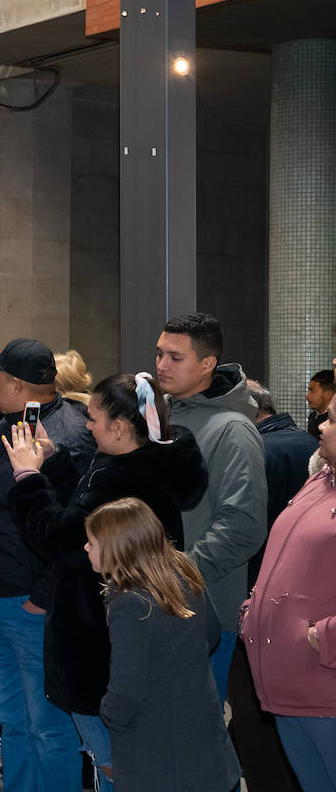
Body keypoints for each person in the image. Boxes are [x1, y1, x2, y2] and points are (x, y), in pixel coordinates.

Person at [4, 372, 208, 790]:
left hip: (101, 643)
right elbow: (80, 510)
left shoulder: (125, 481)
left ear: (119, 427)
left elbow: (61, 540)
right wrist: (56, 463)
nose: (86, 425)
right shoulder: (141, 462)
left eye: (94, 418)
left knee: (115, 765)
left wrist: (27, 478)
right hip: (115, 637)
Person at [0, 337, 94, 792]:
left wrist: (44, 596)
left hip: (33, 603)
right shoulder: (1, 429)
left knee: (48, 724)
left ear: (17, 385)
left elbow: (75, 529)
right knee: (12, 721)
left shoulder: (70, 436)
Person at [87, 498, 241, 792]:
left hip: (159, 760)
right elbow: (211, 634)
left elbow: (127, 690)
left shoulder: (131, 604)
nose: (86, 548)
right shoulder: (184, 574)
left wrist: (109, 713)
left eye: (92, 542)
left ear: (118, 549)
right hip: (206, 748)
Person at [155, 311, 267, 702]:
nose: (162, 365)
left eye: (175, 357)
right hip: (157, 598)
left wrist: (179, 577)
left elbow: (243, 525)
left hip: (203, 610)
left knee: (191, 740)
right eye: (159, 354)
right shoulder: (162, 414)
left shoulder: (232, 430)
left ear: (207, 364)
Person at [240, 392, 336, 792]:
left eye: (330, 419)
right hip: (288, 687)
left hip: (325, 688)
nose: (320, 427)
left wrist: (323, 637)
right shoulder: (320, 479)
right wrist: (254, 609)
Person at [245, 378, 317, 585]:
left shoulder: (255, 451)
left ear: (250, 409)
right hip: (306, 565)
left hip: (264, 567)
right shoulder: (311, 442)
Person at [305, 369, 334, 437]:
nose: (307, 396)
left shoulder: (333, 420)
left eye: (312, 391)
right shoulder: (313, 417)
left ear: (329, 393)